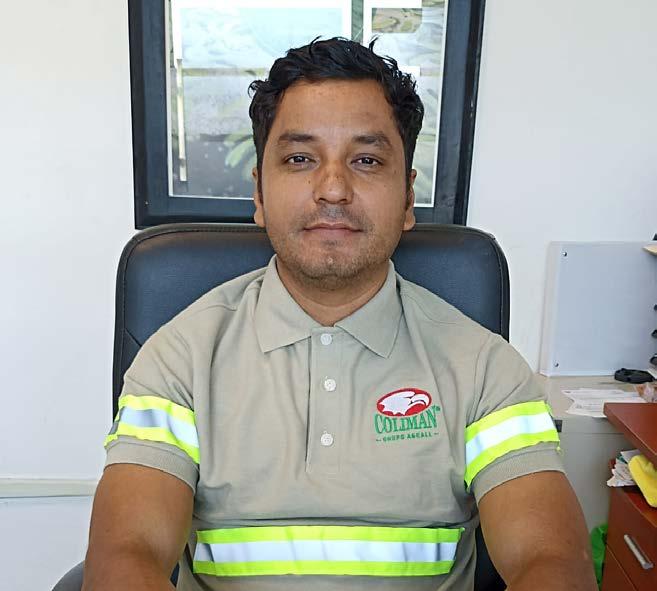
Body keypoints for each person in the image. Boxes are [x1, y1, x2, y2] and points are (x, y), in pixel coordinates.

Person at [82, 38, 596, 590]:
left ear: (407, 200)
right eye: (300, 159)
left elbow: (551, 562)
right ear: (259, 194)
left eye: (367, 160)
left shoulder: (486, 368)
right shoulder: (179, 357)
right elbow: (126, 556)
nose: (332, 189)